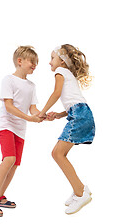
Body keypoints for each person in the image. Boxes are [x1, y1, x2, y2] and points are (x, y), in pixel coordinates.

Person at [0, 46, 45, 217]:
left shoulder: (31, 86)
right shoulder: (8, 80)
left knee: (15, 164)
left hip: (20, 129)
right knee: (9, 159)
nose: (35, 65)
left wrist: (41, 115)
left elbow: (33, 108)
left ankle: (0, 196)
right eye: (32, 61)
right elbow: (9, 107)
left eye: (36, 62)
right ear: (20, 61)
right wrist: (29, 118)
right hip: (6, 125)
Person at [39, 44, 95, 214]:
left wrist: (43, 112)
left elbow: (56, 94)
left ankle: (80, 192)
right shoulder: (68, 73)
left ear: (62, 61)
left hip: (79, 115)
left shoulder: (60, 72)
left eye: (52, 58)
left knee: (57, 153)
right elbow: (75, 102)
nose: (50, 62)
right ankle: (80, 188)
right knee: (58, 153)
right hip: (81, 113)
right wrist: (60, 114)